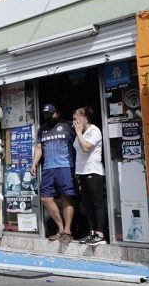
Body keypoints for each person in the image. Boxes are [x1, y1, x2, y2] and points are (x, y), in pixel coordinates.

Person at [30, 103, 77, 242]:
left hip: (66, 167)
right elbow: (39, 148)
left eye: (51, 113)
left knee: (66, 197)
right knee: (45, 198)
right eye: (46, 114)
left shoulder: (68, 125)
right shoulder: (42, 130)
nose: (48, 116)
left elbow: (79, 144)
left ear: (58, 113)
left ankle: (67, 231)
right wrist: (34, 164)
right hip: (48, 168)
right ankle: (60, 229)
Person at [72, 106, 106, 246]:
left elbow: (86, 148)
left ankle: (100, 234)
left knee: (97, 203)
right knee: (86, 204)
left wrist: (79, 132)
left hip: (93, 171)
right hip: (82, 172)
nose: (74, 121)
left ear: (85, 118)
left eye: (76, 119)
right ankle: (91, 233)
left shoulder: (94, 130)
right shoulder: (81, 132)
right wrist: (76, 171)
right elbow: (78, 153)